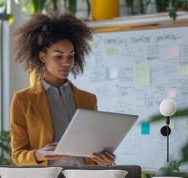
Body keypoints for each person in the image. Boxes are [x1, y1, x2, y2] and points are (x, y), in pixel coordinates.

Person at [10, 13, 115, 167]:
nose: (66, 62)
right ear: (42, 57)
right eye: (58, 57)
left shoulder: (88, 99)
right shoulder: (23, 100)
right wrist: (38, 154)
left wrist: (104, 161)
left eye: (70, 56)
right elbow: (17, 155)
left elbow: (91, 149)